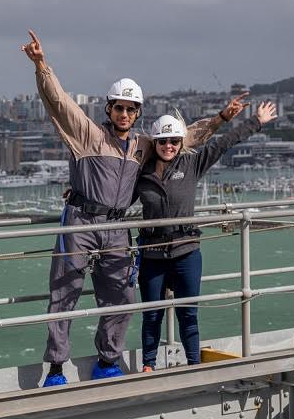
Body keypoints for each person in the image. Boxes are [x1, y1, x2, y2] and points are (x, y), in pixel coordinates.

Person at [21, 29, 249, 386]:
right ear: (109, 109)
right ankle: (55, 367)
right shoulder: (88, 135)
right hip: (79, 222)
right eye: (119, 107)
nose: (125, 113)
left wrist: (221, 118)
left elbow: (184, 138)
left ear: (138, 113)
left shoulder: (144, 145)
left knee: (122, 295)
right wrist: (41, 65)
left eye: (131, 109)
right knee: (63, 294)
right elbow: (59, 102)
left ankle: (107, 359)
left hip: (116, 227)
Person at [135, 101, 278, 371]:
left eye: (174, 141)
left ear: (180, 142)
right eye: (163, 141)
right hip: (152, 253)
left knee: (188, 314)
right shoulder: (140, 174)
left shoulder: (191, 163)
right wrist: (79, 196)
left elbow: (224, 143)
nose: (169, 146)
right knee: (151, 315)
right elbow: (116, 197)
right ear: (154, 143)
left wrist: (256, 122)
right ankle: (148, 366)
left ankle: (192, 365)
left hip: (186, 252)